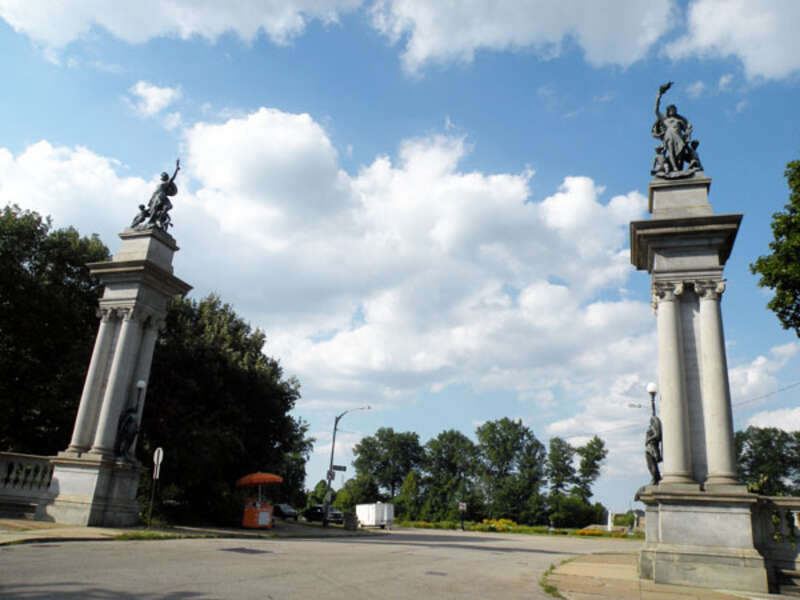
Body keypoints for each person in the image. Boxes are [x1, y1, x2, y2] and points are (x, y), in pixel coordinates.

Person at [147, 159, 180, 229]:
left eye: (165, 175)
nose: (166, 176)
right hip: (158, 197)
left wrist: (176, 169)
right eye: (164, 175)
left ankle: (159, 219)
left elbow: (173, 178)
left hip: (162, 196)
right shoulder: (161, 185)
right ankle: (151, 221)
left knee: (168, 206)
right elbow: (154, 193)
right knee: (155, 208)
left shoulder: (166, 183)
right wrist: (150, 201)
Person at [645, 414, 662, 485]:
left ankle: (655, 478)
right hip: (648, 448)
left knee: (652, 464)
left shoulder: (654, 428)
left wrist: (649, 439)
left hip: (652, 447)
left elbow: (657, 435)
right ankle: (656, 477)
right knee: (650, 465)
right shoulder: (651, 427)